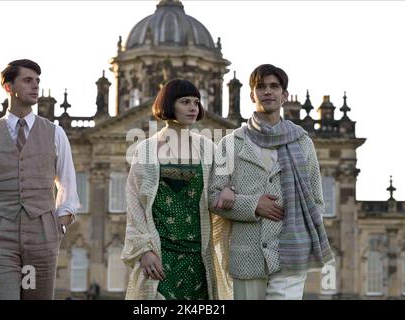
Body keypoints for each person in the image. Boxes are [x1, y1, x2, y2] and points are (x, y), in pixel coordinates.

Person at [209, 64, 334, 300]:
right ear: (252, 95)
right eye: (261, 87)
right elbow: (214, 197)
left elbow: (316, 201)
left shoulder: (303, 143)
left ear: (284, 95)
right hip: (247, 256)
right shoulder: (230, 143)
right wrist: (252, 204)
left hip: (290, 252)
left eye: (274, 86)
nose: (267, 92)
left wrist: (298, 235)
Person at [0, 59, 79, 299]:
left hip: (42, 237)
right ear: (8, 87)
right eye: (27, 80)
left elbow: (68, 187)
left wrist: (59, 226)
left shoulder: (55, 133)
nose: (35, 86)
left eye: (37, 81)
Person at [121, 78, 232, 300]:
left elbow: (222, 186)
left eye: (196, 102)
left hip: (198, 255)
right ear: (169, 104)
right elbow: (134, 205)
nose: (193, 107)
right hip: (160, 256)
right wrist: (144, 250)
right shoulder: (146, 149)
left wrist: (228, 188)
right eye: (185, 102)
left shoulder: (208, 148)